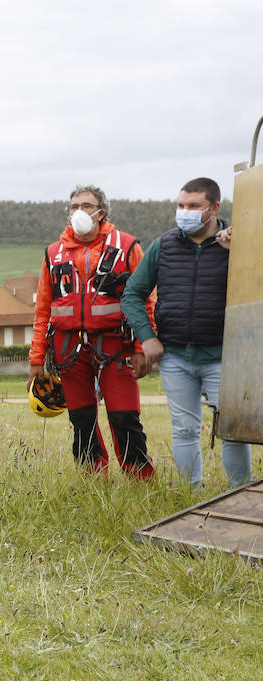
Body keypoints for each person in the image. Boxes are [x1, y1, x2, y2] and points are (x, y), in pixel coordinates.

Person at [121, 177, 251, 489]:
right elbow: (131, 294)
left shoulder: (240, 243)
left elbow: (254, 291)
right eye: (181, 205)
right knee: (183, 429)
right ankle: (190, 496)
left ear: (214, 208)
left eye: (193, 206)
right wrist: (147, 336)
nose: (185, 212)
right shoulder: (163, 246)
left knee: (232, 430)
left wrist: (239, 252)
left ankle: (240, 495)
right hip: (175, 357)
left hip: (223, 356)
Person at [29, 185, 154, 478]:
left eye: (86, 205)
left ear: (102, 212)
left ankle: (140, 479)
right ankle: (92, 478)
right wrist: (36, 357)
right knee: (81, 418)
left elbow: (147, 300)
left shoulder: (127, 246)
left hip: (115, 345)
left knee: (125, 416)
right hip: (68, 349)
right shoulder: (53, 254)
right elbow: (43, 310)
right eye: (74, 207)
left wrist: (141, 348)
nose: (79, 212)